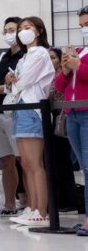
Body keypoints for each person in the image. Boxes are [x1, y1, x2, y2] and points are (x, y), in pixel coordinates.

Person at [6, 17, 54, 227]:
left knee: (35, 164)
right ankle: (33, 207)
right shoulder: (23, 57)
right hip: (20, 107)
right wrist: (11, 82)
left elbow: (24, 81)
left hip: (33, 109)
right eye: (20, 29)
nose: (22, 32)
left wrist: (14, 83)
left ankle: (42, 211)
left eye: (27, 28)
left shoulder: (41, 53)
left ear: (39, 31)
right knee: (25, 164)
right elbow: (13, 84)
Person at [55, 5, 88, 236]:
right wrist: (66, 70)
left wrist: (80, 67)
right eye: (82, 26)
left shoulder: (82, 58)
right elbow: (59, 87)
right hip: (72, 113)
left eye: (87, 24)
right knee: (85, 168)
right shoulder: (79, 50)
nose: (84, 29)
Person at [0, 17, 26, 217]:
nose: (8, 34)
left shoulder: (28, 55)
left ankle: (30, 203)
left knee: (24, 159)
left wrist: (8, 86)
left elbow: (22, 84)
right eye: (5, 30)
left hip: (18, 111)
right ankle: (9, 203)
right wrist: (6, 86)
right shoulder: (1, 57)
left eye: (12, 29)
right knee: (6, 160)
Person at [48, 47, 79, 213]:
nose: (50, 60)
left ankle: (69, 199)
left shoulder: (64, 75)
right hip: (50, 118)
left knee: (63, 160)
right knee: (53, 161)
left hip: (62, 117)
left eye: (53, 57)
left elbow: (55, 94)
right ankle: (58, 198)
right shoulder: (47, 75)